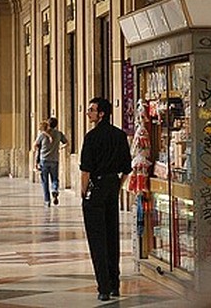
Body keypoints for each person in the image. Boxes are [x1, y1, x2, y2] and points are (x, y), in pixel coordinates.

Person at [80, 97, 132, 301]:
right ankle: (115, 284)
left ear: (102, 113)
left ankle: (103, 287)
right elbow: (127, 168)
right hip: (112, 186)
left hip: (96, 187)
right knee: (112, 235)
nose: (88, 113)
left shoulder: (91, 137)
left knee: (97, 238)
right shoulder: (119, 135)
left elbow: (86, 170)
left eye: (91, 110)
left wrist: (84, 192)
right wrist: (117, 186)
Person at [33, 117, 68, 206]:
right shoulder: (59, 134)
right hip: (54, 160)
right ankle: (55, 190)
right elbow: (66, 143)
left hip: (44, 160)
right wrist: (61, 147)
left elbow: (36, 146)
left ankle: (47, 201)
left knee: (45, 181)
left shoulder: (42, 135)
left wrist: (35, 162)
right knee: (55, 179)